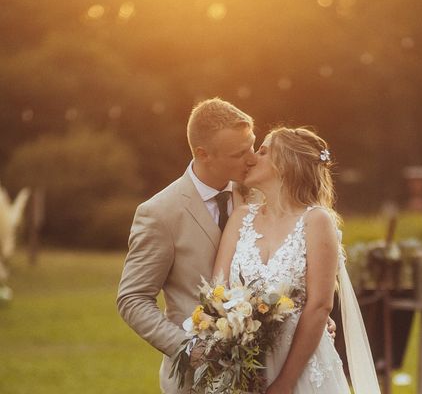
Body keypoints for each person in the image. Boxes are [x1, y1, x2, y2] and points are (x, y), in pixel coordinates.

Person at [214, 127, 380, 394]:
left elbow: (319, 305)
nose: (253, 157)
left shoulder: (317, 221)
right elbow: (217, 291)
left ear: (287, 163)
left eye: (264, 150)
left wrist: (285, 383)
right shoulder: (241, 218)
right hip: (241, 365)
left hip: (300, 370)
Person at [117, 98, 257, 394]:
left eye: (253, 146)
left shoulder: (261, 196)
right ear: (203, 154)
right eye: (239, 153)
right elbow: (132, 298)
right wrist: (188, 348)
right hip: (196, 382)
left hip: (264, 373)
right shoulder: (159, 213)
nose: (253, 159)